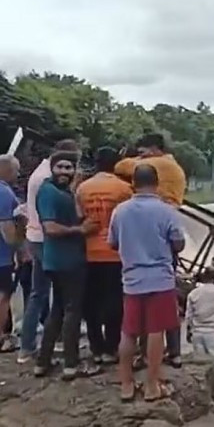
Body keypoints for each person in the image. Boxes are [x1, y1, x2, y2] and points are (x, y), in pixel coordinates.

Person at [109, 164, 185, 402]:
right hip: (160, 280)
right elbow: (178, 243)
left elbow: (113, 243)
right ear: (157, 183)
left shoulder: (120, 211)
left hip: (131, 279)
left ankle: (126, 384)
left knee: (129, 332)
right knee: (156, 331)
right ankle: (152, 385)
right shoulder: (166, 211)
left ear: (133, 183)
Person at [115, 133, 187, 367]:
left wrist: (130, 158)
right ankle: (174, 352)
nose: (141, 155)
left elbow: (123, 166)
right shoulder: (173, 167)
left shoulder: (160, 164)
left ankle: (147, 356)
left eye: (143, 150)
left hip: (151, 237)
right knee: (168, 301)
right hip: (165, 232)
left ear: (155, 149)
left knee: (149, 310)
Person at [34, 151, 99, 380]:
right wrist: (80, 230)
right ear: (52, 168)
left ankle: (43, 362)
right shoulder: (49, 192)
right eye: (60, 167)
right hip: (68, 262)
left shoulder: (62, 192)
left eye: (69, 168)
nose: (64, 172)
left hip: (56, 261)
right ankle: (71, 364)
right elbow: (50, 228)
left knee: (58, 310)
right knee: (73, 311)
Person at [19, 139, 78, 364]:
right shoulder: (47, 179)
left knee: (40, 293)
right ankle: (32, 347)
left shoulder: (40, 172)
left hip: (36, 235)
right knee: (48, 294)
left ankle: (34, 345)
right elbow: (52, 220)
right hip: (46, 239)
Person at [75, 147, 132, 364]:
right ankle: (112, 348)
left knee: (91, 302)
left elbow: (81, 218)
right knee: (115, 301)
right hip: (116, 253)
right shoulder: (125, 189)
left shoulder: (83, 189)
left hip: (90, 253)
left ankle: (96, 347)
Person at [0, 154, 23, 352]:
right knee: (3, 296)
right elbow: (6, 226)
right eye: (16, 170)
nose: (18, 174)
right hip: (2, 256)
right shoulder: (4, 193)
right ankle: (3, 337)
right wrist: (17, 249)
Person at [186, 268, 214, 358]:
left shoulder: (193, 293)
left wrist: (189, 331)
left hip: (197, 332)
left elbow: (189, 316)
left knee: (200, 362)